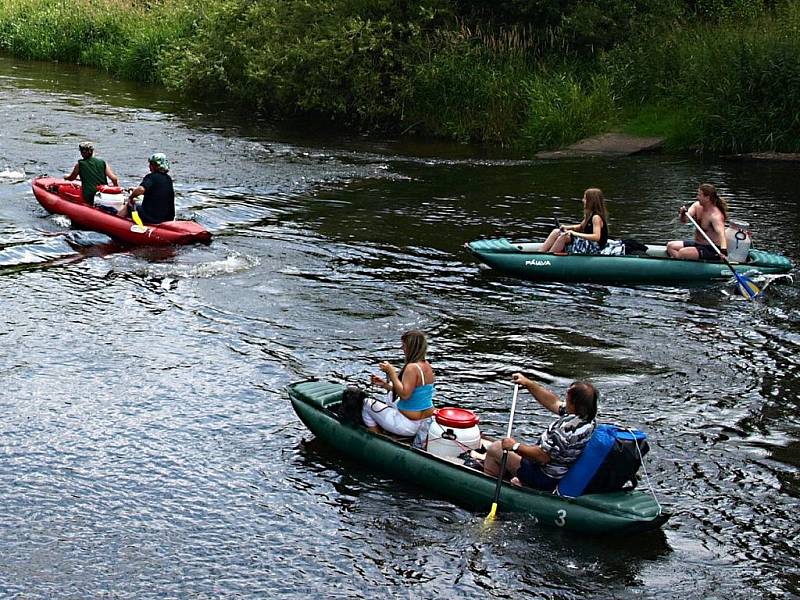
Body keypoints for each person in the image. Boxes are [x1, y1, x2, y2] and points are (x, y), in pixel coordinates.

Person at [484, 373, 598, 491]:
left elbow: (542, 457)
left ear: (574, 402)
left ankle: (488, 486)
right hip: (560, 471)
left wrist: (515, 446)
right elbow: (553, 403)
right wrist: (528, 384)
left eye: (567, 396)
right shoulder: (588, 419)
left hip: (544, 477)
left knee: (495, 448)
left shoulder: (565, 429)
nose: (565, 397)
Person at [362, 330, 435, 436]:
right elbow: (413, 392)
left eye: (404, 345)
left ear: (411, 348)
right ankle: (386, 423)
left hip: (408, 425)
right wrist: (385, 385)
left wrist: (391, 373)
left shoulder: (411, 368)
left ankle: (378, 436)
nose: (402, 348)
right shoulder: (426, 365)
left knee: (366, 403)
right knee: (391, 395)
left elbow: (405, 395)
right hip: (425, 420)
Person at [666, 183, 728, 260]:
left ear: (707, 198)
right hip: (698, 244)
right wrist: (682, 214)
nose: (697, 197)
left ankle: (680, 261)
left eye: (699, 195)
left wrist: (724, 251)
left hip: (712, 249)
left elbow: (722, 234)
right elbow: (684, 220)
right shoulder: (696, 206)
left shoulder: (715, 215)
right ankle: (681, 261)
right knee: (670, 246)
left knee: (682, 252)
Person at [540, 188, 609, 255]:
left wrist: (574, 233)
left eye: (585, 199)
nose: (583, 200)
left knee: (564, 237)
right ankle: (540, 253)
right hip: (588, 243)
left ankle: (549, 258)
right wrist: (567, 227)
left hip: (595, 247)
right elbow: (581, 227)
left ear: (591, 201)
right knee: (556, 231)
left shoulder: (596, 217)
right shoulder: (589, 215)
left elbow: (596, 237)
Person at [117, 153, 175, 224]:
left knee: (130, 205)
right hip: (168, 219)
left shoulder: (151, 177)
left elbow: (141, 189)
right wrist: (135, 189)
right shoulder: (168, 179)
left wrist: (131, 197)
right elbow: (156, 192)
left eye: (150, 164)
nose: (149, 166)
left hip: (152, 218)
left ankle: (115, 222)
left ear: (155, 165)